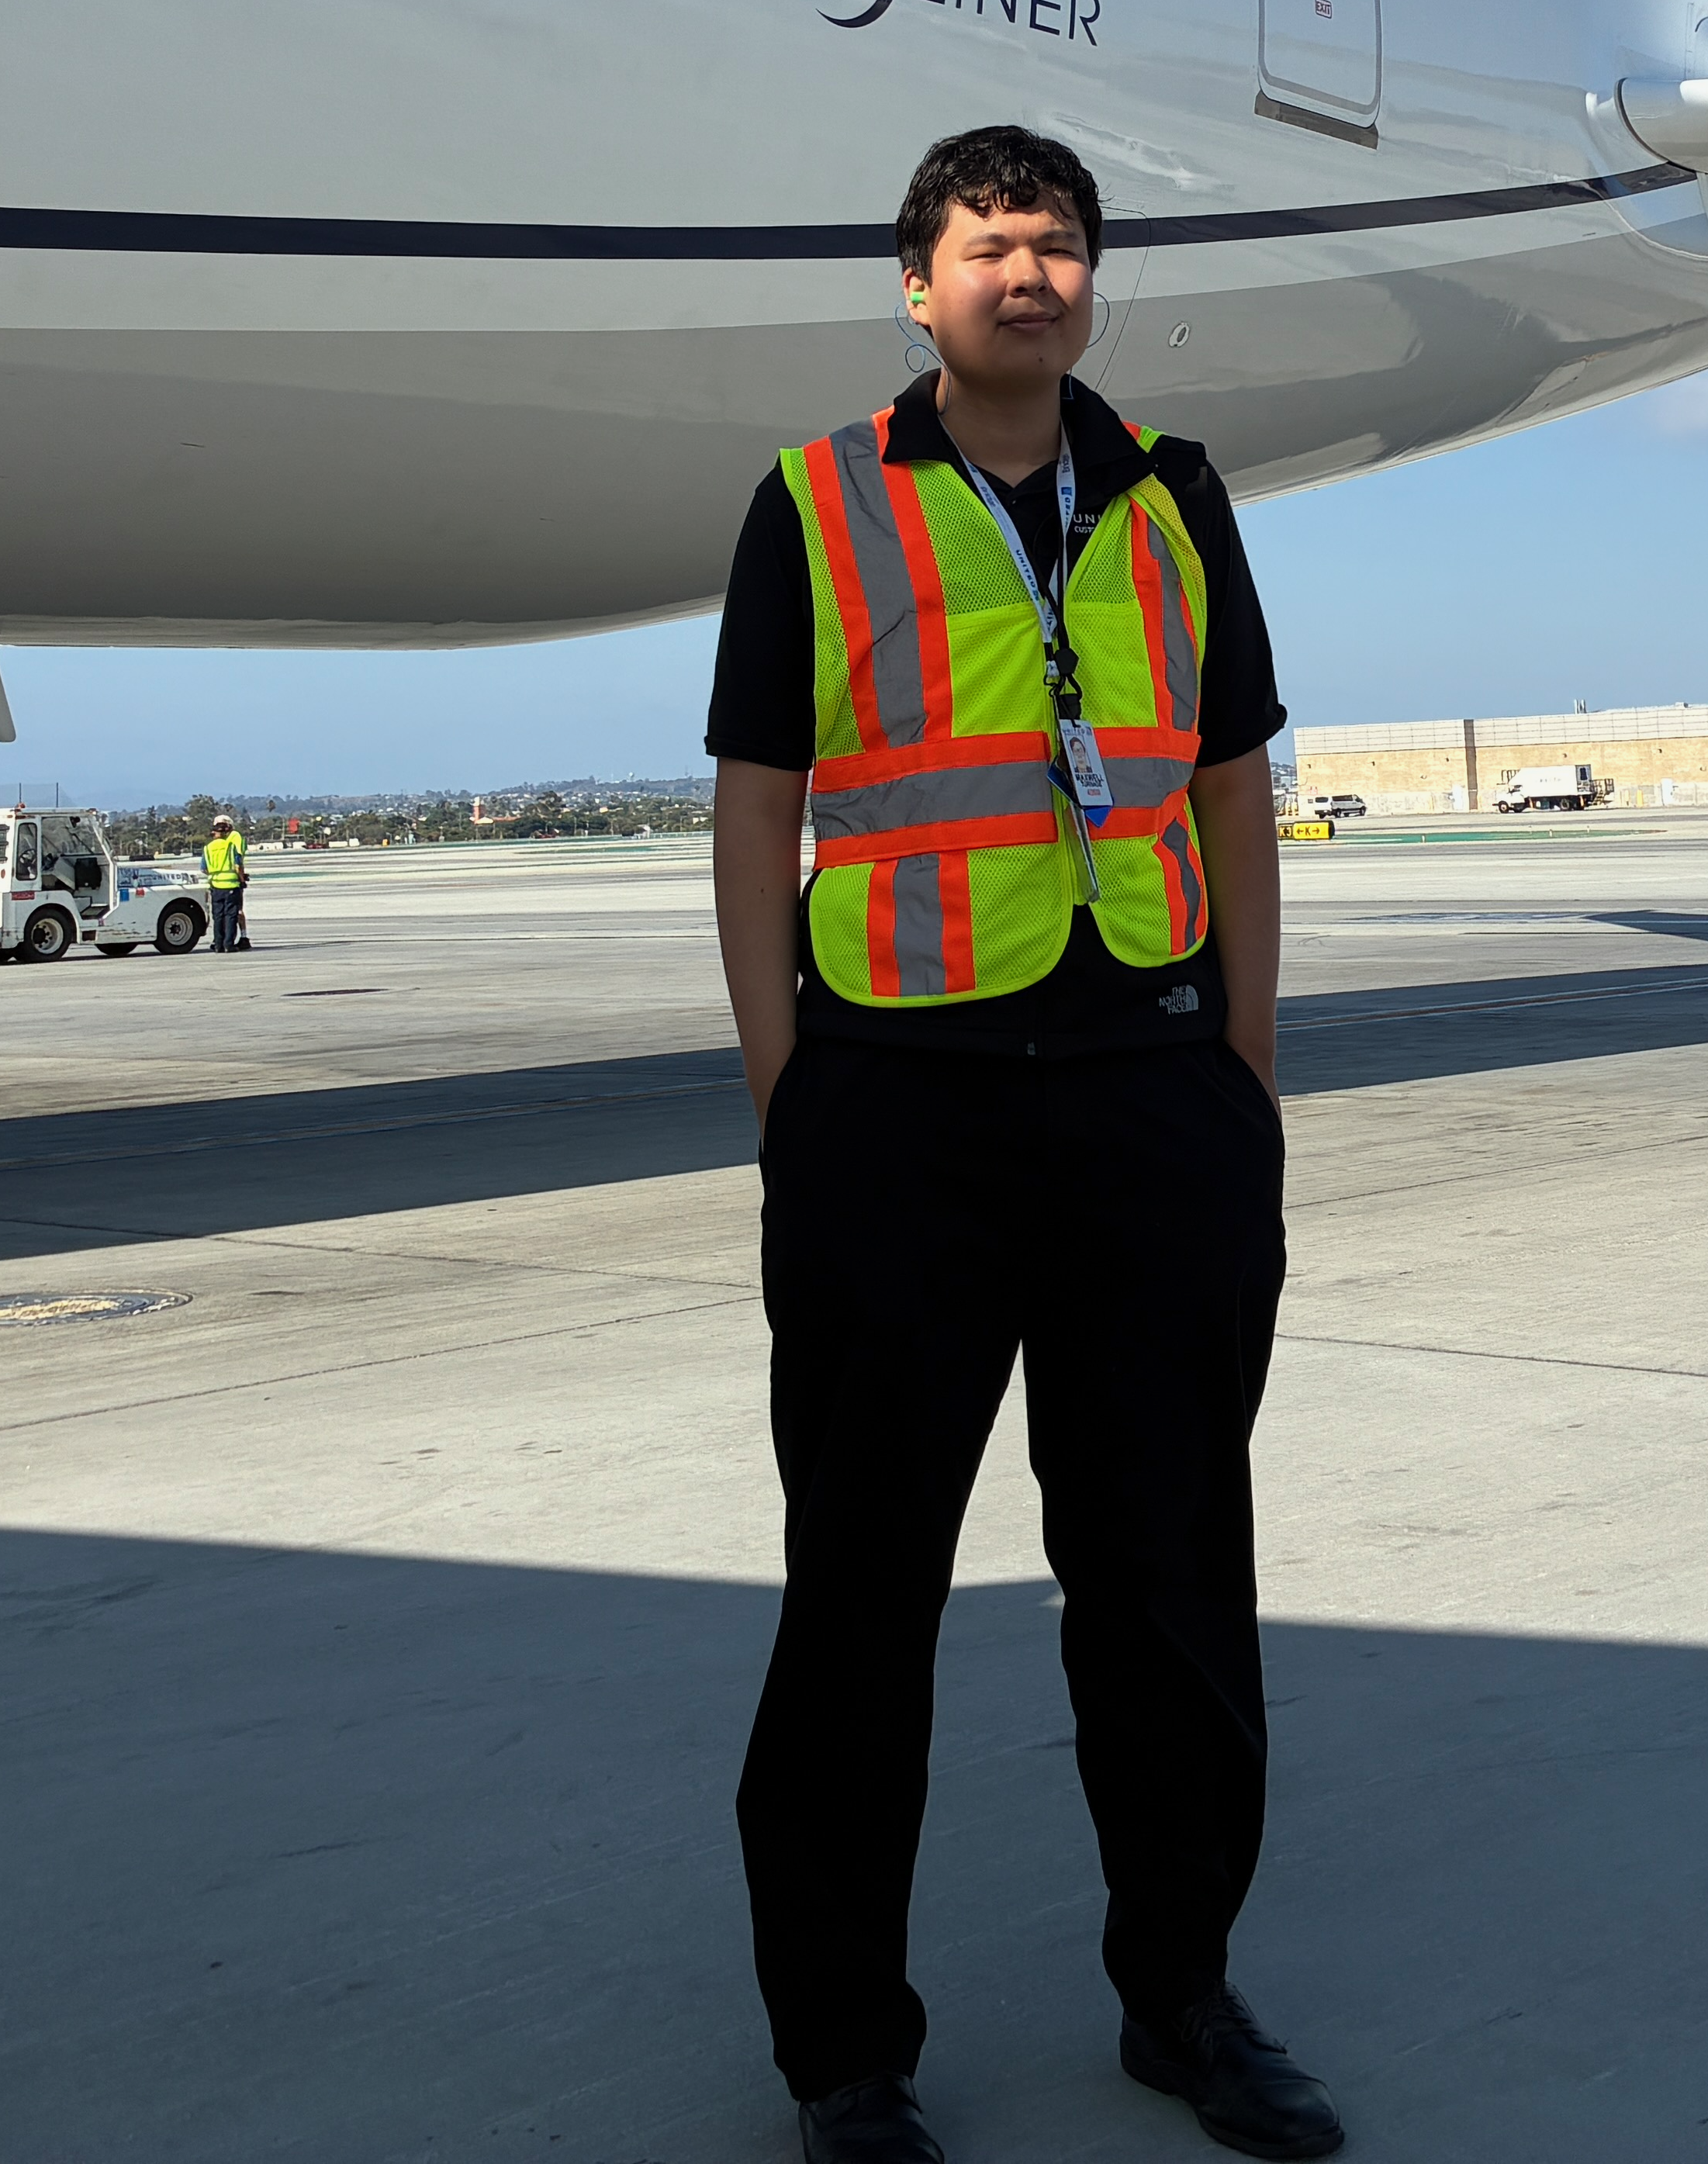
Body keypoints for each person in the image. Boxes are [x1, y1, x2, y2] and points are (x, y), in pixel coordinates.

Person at [707, 125, 1341, 2164]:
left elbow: (1235, 780)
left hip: (1152, 1092)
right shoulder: (817, 502)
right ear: (920, 284)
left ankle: (1184, 1993)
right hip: (901, 1103)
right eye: (991, 245)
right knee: (864, 1598)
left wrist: (1242, 1061)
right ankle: (844, 2058)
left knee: (1169, 1584)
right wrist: (783, 1080)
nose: (1031, 274)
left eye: (1061, 243)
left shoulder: (1173, 493)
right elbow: (757, 802)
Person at [201, 813, 247, 951]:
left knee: (218, 916)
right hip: (231, 885)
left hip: (215, 885)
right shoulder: (230, 846)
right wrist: (242, 879)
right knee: (231, 915)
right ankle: (229, 944)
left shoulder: (207, 848)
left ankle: (218, 944)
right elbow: (238, 864)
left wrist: (215, 875)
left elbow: (204, 868)